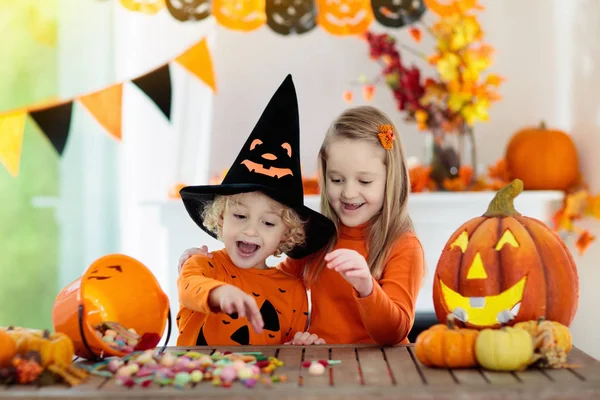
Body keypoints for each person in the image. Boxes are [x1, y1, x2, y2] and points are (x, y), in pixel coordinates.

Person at [179, 105, 424, 347]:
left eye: (365, 180)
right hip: (320, 362)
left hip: (381, 370)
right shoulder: (319, 241)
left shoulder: (402, 245)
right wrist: (203, 269)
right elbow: (272, 283)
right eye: (336, 179)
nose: (349, 192)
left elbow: (394, 331)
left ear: (391, 179)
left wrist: (366, 286)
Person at [176, 75, 336, 346]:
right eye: (240, 216)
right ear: (221, 217)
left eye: (269, 223)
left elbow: (284, 353)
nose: (251, 230)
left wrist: (297, 348)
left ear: (286, 236)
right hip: (196, 382)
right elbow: (189, 289)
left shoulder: (295, 291)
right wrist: (220, 293)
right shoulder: (204, 266)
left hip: (259, 385)